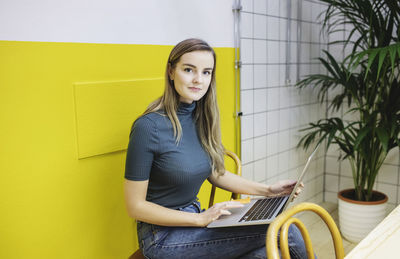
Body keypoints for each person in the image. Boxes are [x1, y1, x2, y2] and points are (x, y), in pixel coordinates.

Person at [124, 38, 308, 259]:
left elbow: (215, 173)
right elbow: (135, 206)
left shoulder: (200, 117)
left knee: (264, 254)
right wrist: (200, 219)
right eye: (189, 69)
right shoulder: (148, 127)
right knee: (284, 228)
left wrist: (268, 190)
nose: (198, 80)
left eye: (206, 72)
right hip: (162, 237)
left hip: (195, 223)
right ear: (171, 71)